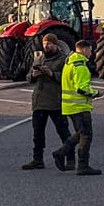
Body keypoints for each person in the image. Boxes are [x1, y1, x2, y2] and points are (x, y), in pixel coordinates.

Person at [21, 33, 71, 171]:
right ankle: (37, 160)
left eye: (49, 44)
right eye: (44, 44)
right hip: (39, 101)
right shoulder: (39, 58)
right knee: (38, 134)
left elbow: (67, 78)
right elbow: (28, 77)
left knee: (63, 132)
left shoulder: (63, 60)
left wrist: (52, 74)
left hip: (55, 101)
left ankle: (70, 158)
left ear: (56, 45)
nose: (46, 46)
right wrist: (33, 75)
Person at [59, 38, 101, 176]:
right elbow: (81, 88)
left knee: (80, 133)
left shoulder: (69, 62)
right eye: (90, 50)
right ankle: (82, 165)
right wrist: (95, 93)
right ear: (84, 49)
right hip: (79, 106)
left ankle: (61, 152)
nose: (91, 53)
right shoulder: (80, 66)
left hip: (69, 106)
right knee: (86, 135)